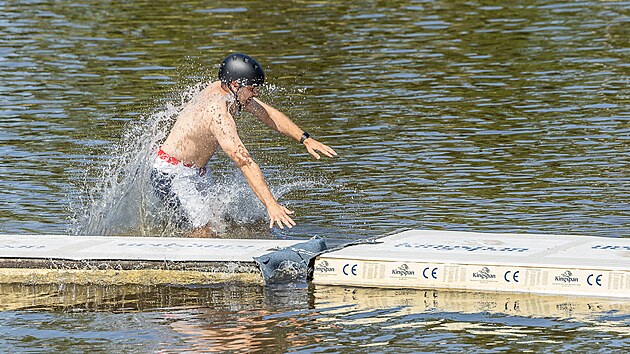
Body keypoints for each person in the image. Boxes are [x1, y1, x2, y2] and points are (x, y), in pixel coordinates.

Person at [150, 53, 337, 235]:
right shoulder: (218, 115)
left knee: (221, 221)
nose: (256, 93)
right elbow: (245, 162)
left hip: (198, 172)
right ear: (234, 84)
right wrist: (271, 204)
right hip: (172, 175)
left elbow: (268, 114)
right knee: (204, 228)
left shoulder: (229, 91)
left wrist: (305, 139)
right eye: (253, 88)